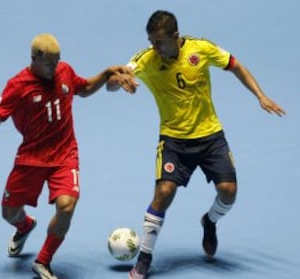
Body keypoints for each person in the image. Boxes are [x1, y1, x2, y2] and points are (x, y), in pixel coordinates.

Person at [106, 10, 286, 279]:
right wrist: (119, 81)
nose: (154, 47)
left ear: (175, 37)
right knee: (164, 193)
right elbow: (112, 81)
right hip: (174, 140)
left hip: (210, 136)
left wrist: (260, 96)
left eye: (159, 42)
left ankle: (209, 221)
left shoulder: (201, 49)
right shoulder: (147, 59)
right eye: (151, 41)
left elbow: (235, 65)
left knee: (229, 192)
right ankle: (144, 258)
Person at [0, 33, 137, 279]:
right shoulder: (17, 85)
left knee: (67, 206)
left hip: (64, 154)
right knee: (9, 213)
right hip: (31, 157)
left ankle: (42, 261)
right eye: (50, 62)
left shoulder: (64, 71)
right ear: (34, 59)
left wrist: (106, 73)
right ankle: (25, 226)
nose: (56, 66)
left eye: (58, 60)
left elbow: (83, 88)